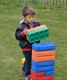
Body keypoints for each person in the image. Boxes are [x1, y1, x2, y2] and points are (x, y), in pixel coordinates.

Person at [15, 6, 41, 80]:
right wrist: (23, 33)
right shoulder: (22, 26)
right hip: (26, 46)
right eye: (29, 17)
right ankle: (28, 75)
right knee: (29, 61)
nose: (32, 18)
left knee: (28, 60)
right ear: (24, 17)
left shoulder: (36, 24)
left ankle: (23, 70)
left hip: (34, 46)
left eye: (33, 17)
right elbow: (17, 36)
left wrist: (41, 28)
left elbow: (39, 31)